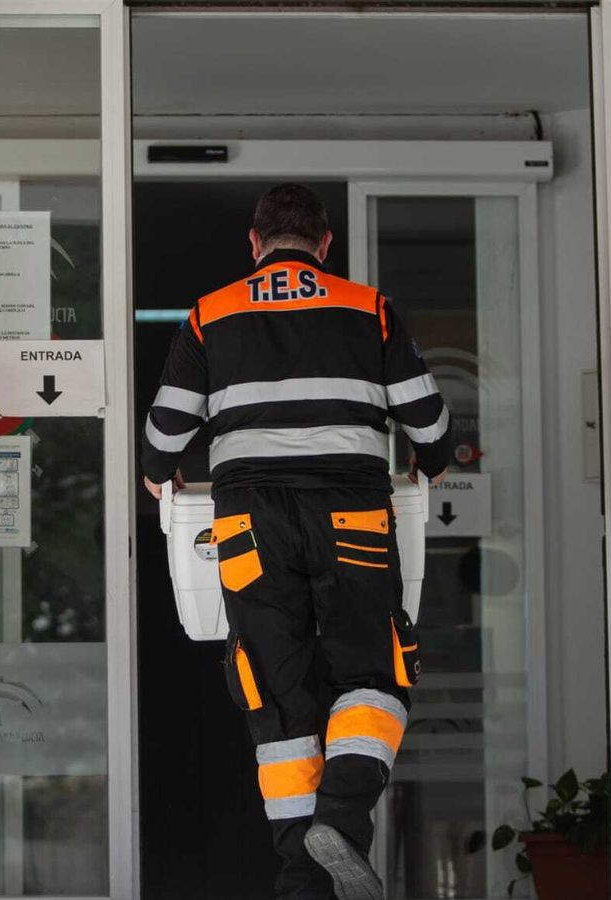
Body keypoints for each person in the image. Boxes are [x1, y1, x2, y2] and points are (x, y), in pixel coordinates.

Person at [140, 183, 452, 900]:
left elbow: (165, 431)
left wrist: (158, 476)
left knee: (277, 700)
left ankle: (301, 883)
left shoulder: (210, 314)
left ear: (253, 245)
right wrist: (430, 463)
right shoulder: (365, 308)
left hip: (248, 520)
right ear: (325, 245)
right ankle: (341, 816)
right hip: (352, 514)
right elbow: (428, 420)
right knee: (372, 674)